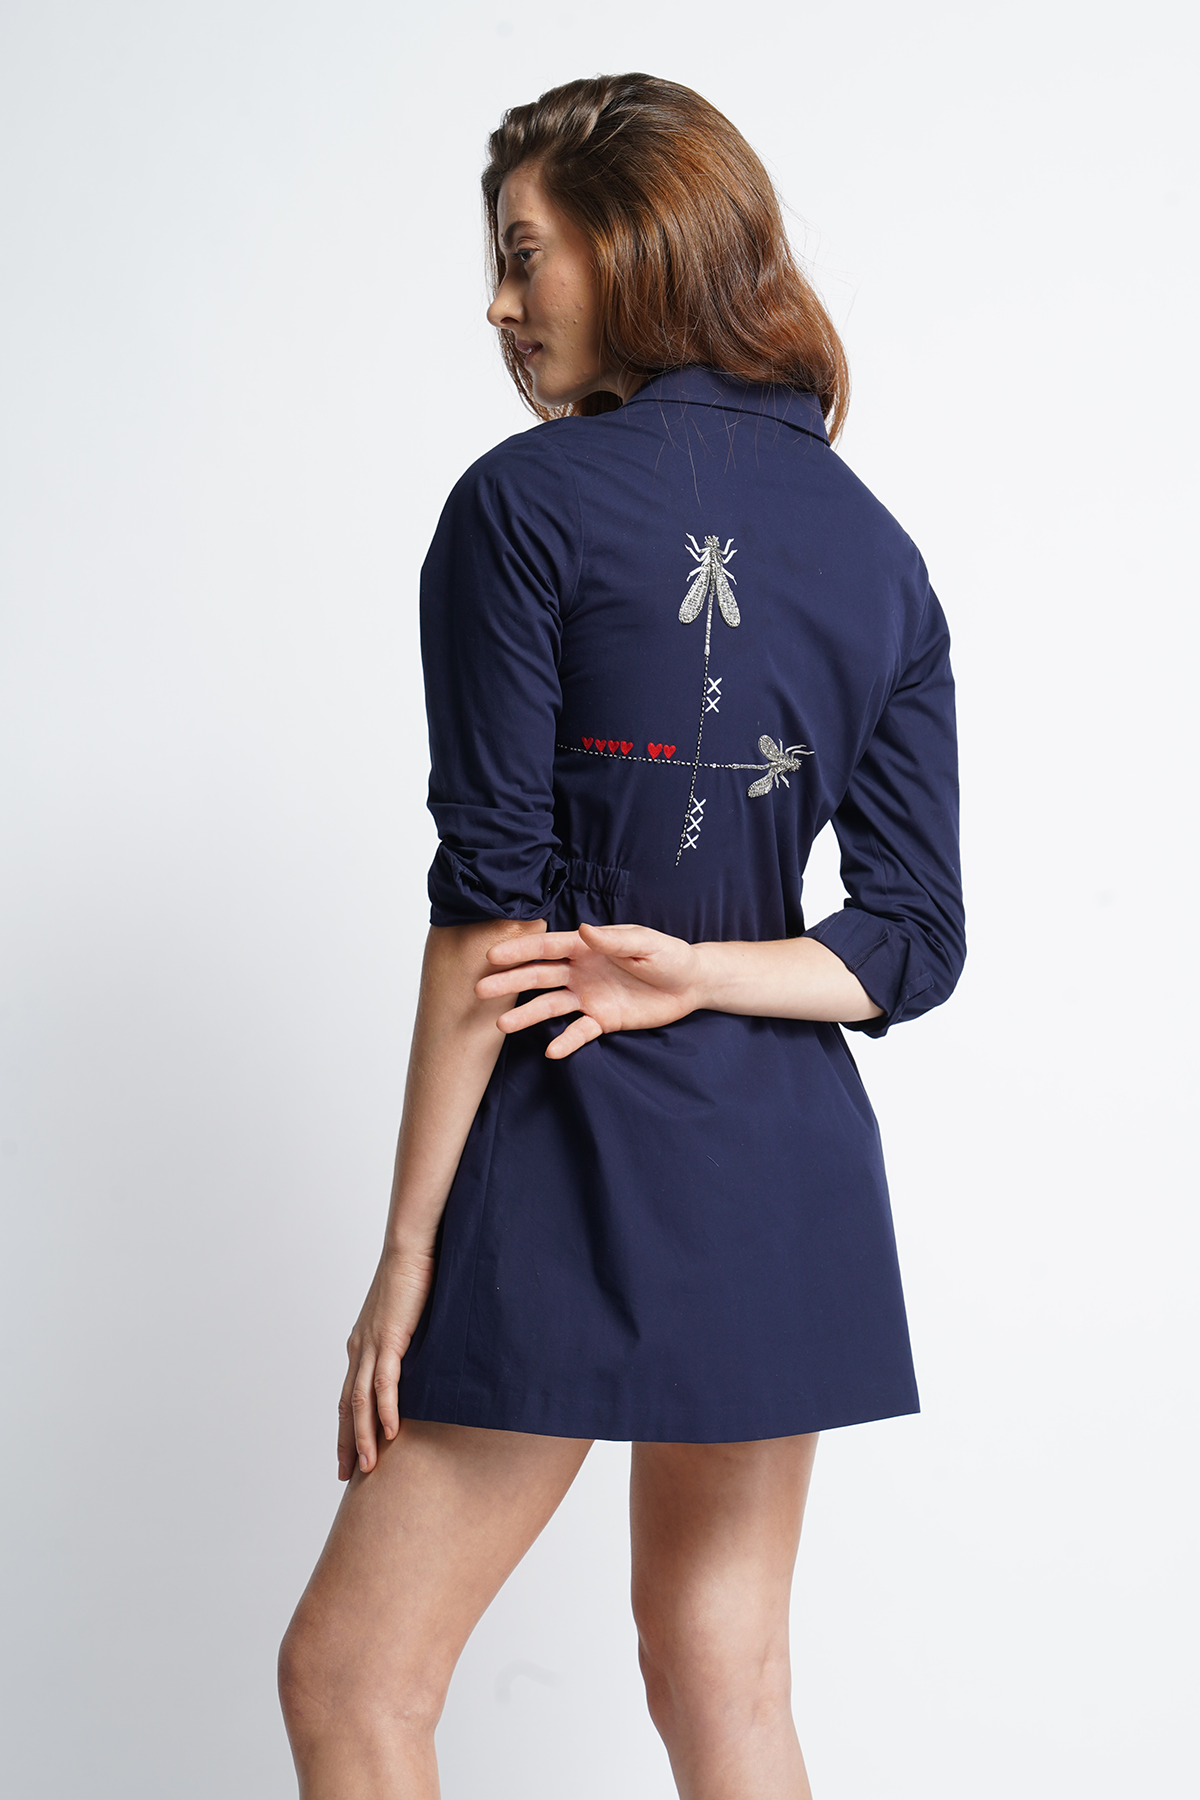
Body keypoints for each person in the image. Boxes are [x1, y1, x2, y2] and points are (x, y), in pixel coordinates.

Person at [278, 72, 965, 1800]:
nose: (499, 304)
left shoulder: (526, 504)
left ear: (635, 240)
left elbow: (490, 911)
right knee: (727, 1680)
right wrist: (713, 970)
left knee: (354, 1677)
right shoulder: (879, 551)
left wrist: (407, 1253)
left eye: (524, 253)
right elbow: (912, 936)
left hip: (571, 1126)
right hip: (786, 1160)